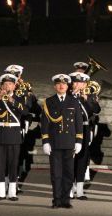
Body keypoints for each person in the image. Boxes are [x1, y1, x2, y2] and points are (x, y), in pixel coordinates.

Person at [0, 73, 29, 201]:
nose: (7, 86)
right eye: (5, 84)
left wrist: (12, 100)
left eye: (10, 84)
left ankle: (12, 192)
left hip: (13, 134)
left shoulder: (19, 99)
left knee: (13, 163)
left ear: (14, 86)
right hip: (0, 135)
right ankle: (1, 192)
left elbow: (25, 111)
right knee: (1, 164)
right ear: (2, 86)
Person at [41, 74, 84, 208]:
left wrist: (78, 141)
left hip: (69, 142)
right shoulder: (49, 102)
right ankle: (56, 200)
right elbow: (44, 124)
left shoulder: (74, 102)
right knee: (56, 174)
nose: (61, 86)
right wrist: (45, 142)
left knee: (69, 173)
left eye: (64, 84)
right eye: (59, 84)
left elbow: (78, 122)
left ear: (67, 86)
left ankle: (66, 200)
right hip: (55, 143)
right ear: (55, 86)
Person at [69, 71, 100, 200]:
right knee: (71, 159)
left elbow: (96, 110)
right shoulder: (67, 96)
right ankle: (70, 188)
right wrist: (73, 96)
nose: (78, 85)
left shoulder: (90, 96)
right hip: (71, 130)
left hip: (85, 128)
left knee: (82, 158)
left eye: (81, 82)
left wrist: (87, 99)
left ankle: (80, 190)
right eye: (76, 82)